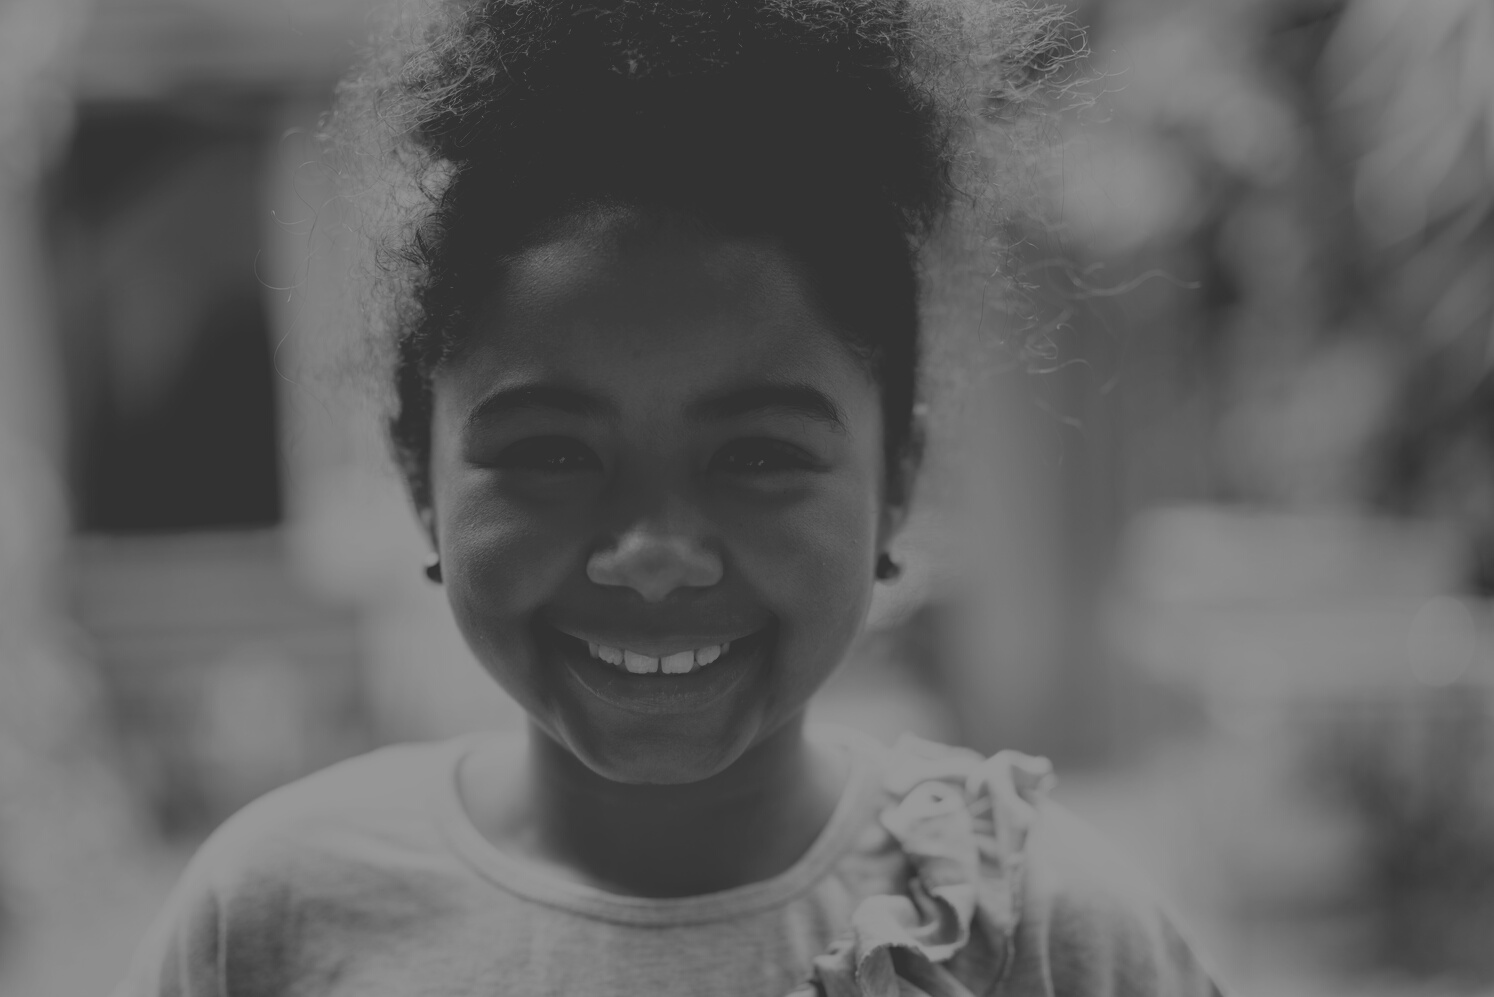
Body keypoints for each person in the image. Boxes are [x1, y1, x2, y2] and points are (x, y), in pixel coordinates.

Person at [114, 1, 1225, 994]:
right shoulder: (273, 916)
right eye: (552, 453)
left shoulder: (1041, 935)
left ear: (897, 484)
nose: (653, 550)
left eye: (756, 457)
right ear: (419, 474)